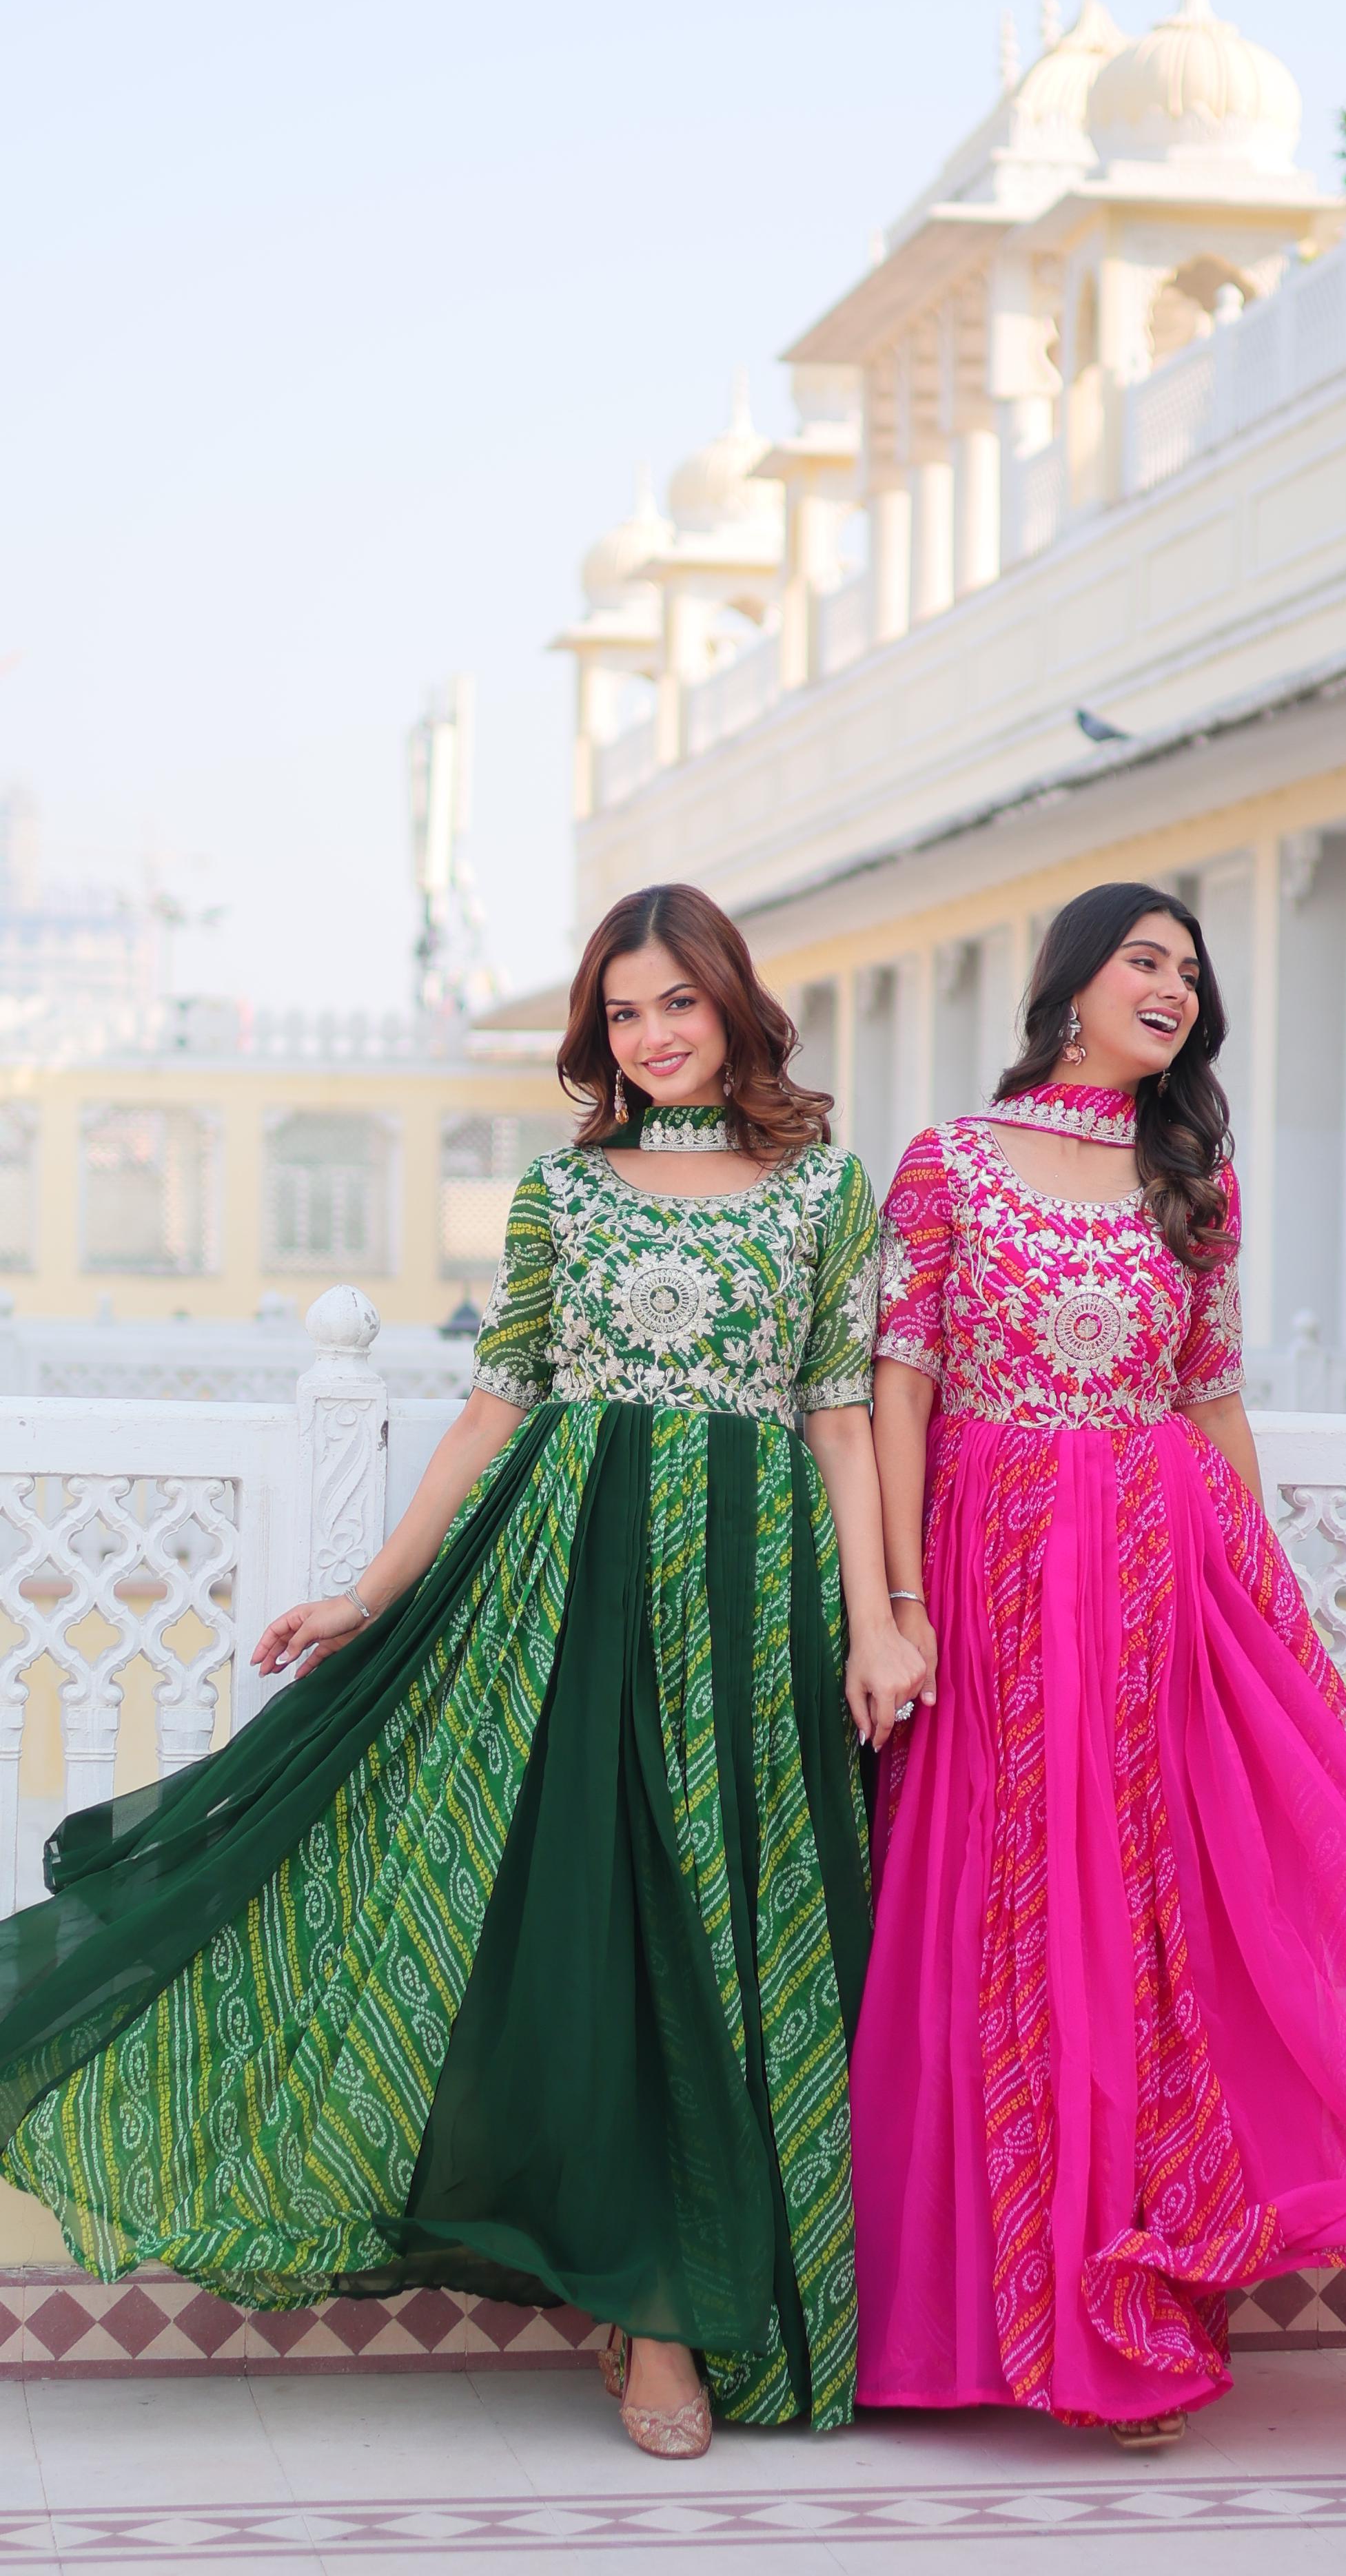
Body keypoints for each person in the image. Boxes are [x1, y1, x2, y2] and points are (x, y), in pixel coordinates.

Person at [0, 881, 922, 2462]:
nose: (653, 1037)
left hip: (753, 1594)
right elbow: (500, 1407)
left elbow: (840, 1419)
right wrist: (367, 1591)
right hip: (562, 1586)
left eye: (677, 1004)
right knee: (603, 1933)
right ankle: (653, 2326)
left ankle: (725, 2305)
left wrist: (879, 1615)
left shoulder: (827, 1189)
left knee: (737, 1934)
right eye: (624, 1014)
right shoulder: (563, 1200)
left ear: (734, 1002)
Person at [850, 879, 1346, 2442]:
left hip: (1158, 1577)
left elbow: (1212, 1405)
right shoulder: (947, 1162)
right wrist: (897, 1604)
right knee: (989, 1926)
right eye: (1144, 961)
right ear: (1073, 984)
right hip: (988, 1568)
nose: (1172, 986)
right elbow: (902, 1391)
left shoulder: (1192, 1179)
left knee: (1144, 1940)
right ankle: (966, 2316)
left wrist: (1265, 1602)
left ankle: (1125, 2305)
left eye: (1191, 970)